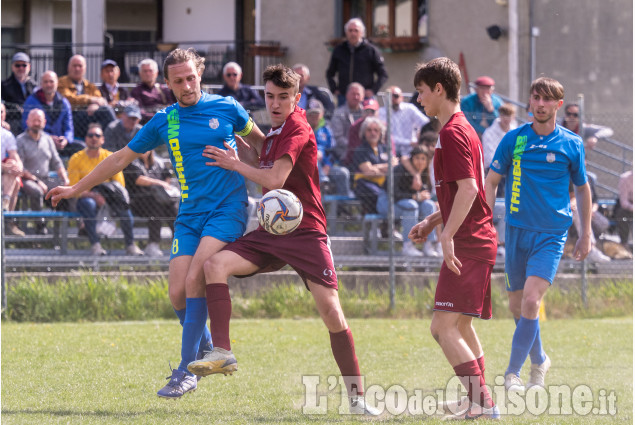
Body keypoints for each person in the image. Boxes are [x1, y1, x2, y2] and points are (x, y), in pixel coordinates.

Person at [47, 47, 266, 399]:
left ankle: (185, 372)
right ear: (167, 83)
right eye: (178, 81)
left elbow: (263, 147)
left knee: (197, 276)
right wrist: (76, 187)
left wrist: (248, 165)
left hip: (228, 207)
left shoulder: (228, 108)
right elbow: (120, 158)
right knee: (177, 293)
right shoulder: (164, 120)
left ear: (200, 74)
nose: (186, 86)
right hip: (190, 213)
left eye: (191, 78)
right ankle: (207, 352)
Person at [188, 64, 380, 416]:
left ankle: (357, 399)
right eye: (269, 96)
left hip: (306, 232)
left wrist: (234, 165)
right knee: (215, 265)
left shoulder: (296, 127)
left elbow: (275, 178)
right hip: (271, 229)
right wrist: (235, 145)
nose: (274, 104)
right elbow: (259, 161)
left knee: (332, 313)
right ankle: (223, 352)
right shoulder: (274, 131)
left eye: (282, 97)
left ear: (296, 97)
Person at [484, 77, 592, 396]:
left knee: (532, 300)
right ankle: (541, 359)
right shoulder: (514, 140)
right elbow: (491, 181)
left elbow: (583, 189)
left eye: (547, 99)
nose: (540, 104)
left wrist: (586, 234)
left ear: (559, 105)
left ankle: (514, 373)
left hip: (551, 234)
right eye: (536, 97)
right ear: (529, 102)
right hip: (516, 232)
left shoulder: (572, 144)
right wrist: (487, 221)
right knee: (518, 308)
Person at [410, 57, 499, 419]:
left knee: (442, 326)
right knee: (460, 324)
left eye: (420, 92)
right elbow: (463, 192)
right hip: (475, 238)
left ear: (439, 89)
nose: (419, 100)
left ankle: (483, 405)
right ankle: (476, 399)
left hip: (469, 242)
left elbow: (468, 188)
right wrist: (434, 221)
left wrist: (446, 235)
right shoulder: (460, 128)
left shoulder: (453, 132)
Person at [66, 123, 144, 257]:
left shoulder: (110, 157)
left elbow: (119, 184)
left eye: (97, 135)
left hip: (109, 196)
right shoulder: (76, 159)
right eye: (90, 135)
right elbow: (73, 188)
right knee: (88, 205)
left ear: (103, 139)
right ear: (86, 139)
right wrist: (93, 195)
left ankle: (130, 245)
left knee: (125, 211)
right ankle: (96, 245)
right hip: (85, 197)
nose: (94, 138)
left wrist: (105, 197)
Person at [377, 145, 440, 257]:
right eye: (417, 158)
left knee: (429, 205)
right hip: (386, 202)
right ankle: (408, 245)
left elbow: (424, 193)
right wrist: (416, 197)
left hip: (406, 203)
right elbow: (394, 194)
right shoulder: (400, 170)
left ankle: (428, 245)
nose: (420, 162)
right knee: (411, 205)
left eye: (423, 158)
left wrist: (423, 196)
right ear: (412, 159)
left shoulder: (423, 173)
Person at [16, 109, 69, 235]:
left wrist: (65, 178)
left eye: (39, 120)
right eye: (33, 120)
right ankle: (40, 226)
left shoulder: (48, 139)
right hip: (27, 180)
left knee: (66, 188)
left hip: (46, 178)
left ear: (44, 122)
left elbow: (57, 161)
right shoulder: (20, 140)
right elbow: (20, 168)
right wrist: (37, 181)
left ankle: (73, 226)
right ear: (27, 122)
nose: (36, 123)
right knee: (37, 191)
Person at [124, 149, 178, 257]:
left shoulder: (158, 162)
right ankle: (153, 244)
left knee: (173, 207)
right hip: (138, 202)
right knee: (155, 205)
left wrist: (164, 188)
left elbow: (167, 175)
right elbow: (138, 179)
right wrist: (160, 183)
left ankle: (177, 241)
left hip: (160, 200)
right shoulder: (132, 162)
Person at [326, 18, 388, 105]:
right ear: (346, 32)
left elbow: (383, 74)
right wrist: (334, 89)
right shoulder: (339, 50)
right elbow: (330, 73)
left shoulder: (371, 50)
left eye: (356, 30)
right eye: (350, 30)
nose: (353, 33)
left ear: (362, 33)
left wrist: (373, 90)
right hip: (344, 97)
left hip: (365, 98)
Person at [22, 71, 82, 158]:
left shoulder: (64, 103)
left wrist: (65, 139)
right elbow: (26, 126)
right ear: (41, 84)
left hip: (61, 144)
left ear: (57, 83)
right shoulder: (31, 101)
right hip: (38, 141)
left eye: (51, 81)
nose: (49, 84)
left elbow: (69, 128)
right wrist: (48, 138)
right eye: (46, 82)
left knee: (81, 147)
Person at [57, 54, 117, 139]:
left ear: (85, 69)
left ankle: (108, 140)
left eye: (80, 66)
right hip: (71, 118)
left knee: (105, 111)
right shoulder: (61, 83)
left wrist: (96, 105)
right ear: (68, 67)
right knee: (106, 110)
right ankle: (117, 134)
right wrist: (90, 100)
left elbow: (100, 99)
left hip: (88, 117)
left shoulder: (89, 85)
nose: (77, 69)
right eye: (74, 66)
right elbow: (68, 98)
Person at [351, 116, 398, 215]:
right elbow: (368, 171)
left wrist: (375, 167)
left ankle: (389, 227)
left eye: (376, 130)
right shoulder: (361, 150)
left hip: (384, 183)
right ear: (364, 133)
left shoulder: (386, 148)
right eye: (369, 130)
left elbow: (395, 165)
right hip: (365, 184)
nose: (373, 133)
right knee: (377, 194)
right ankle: (378, 226)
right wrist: (387, 167)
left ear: (381, 133)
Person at [306, 99, 352, 197]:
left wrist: (327, 165)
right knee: (313, 158)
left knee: (343, 173)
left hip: (325, 167)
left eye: (316, 113)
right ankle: (323, 183)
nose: (314, 116)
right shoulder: (301, 131)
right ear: (305, 115)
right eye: (311, 114)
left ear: (322, 114)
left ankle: (343, 206)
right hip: (307, 169)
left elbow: (333, 151)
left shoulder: (327, 130)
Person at [378, 85, 430, 158]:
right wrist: (409, 142)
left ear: (401, 97)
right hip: (390, 152)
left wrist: (420, 136)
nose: (392, 98)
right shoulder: (381, 112)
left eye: (395, 96)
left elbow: (426, 123)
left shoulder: (409, 108)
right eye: (389, 96)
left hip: (410, 151)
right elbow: (387, 137)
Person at [130, 58, 177, 124]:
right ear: (140, 73)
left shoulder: (163, 89)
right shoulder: (136, 91)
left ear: (156, 73)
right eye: (145, 71)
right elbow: (139, 111)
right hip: (147, 124)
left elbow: (172, 106)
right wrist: (158, 117)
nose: (148, 74)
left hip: (166, 122)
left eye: (150, 71)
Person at [1, 107, 24, 236]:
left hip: (4, 174)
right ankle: (8, 220)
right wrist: (5, 167)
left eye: (1, 112)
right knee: (11, 172)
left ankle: (5, 206)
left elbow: (14, 155)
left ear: (5, 114)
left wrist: (18, 167)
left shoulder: (7, 134)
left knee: (14, 168)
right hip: (3, 170)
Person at [1, 52, 35, 134]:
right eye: (17, 65)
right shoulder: (4, 85)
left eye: (24, 65)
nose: (21, 68)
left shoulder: (34, 86)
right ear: (12, 67)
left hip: (31, 122)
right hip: (12, 122)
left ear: (29, 67)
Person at [330, 83, 365, 163]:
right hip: (344, 152)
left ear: (363, 97)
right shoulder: (339, 113)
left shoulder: (366, 114)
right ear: (347, 95)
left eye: (358, 94)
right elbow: (338, 138)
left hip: (364, 151)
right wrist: (356, 147)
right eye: (353, 94)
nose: (355, 97)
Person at [342, 97, 380, 168]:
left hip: (380, 160)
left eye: (372, 112)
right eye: (367, 112)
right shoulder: (355, 127)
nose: (369, 115)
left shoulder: (384, 126)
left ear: (378, 113)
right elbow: (356, 151)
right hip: (358, 163)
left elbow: (389, 150)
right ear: (362, 112)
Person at [614, 170, 633, 249]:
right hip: (628, 207)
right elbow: (623, 201)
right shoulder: (625, 178)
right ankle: (624, 243)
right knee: (623, 215)